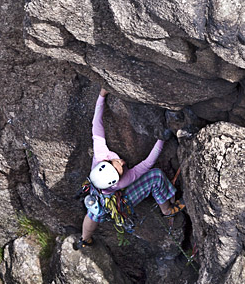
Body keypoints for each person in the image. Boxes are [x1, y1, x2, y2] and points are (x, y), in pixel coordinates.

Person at [75, 88, 185, 249]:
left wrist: (101, 96)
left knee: (93, 212)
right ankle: (167, 210)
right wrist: (161, 140)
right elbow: (147, 164)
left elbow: (96, 125)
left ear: (105, 164)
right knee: (155, 176)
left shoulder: (100, 155)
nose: (124, 163)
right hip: (117, 201)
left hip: (98, 196)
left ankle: (85, 239)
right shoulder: (121, 182)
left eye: (118, 163)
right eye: (121, 169)